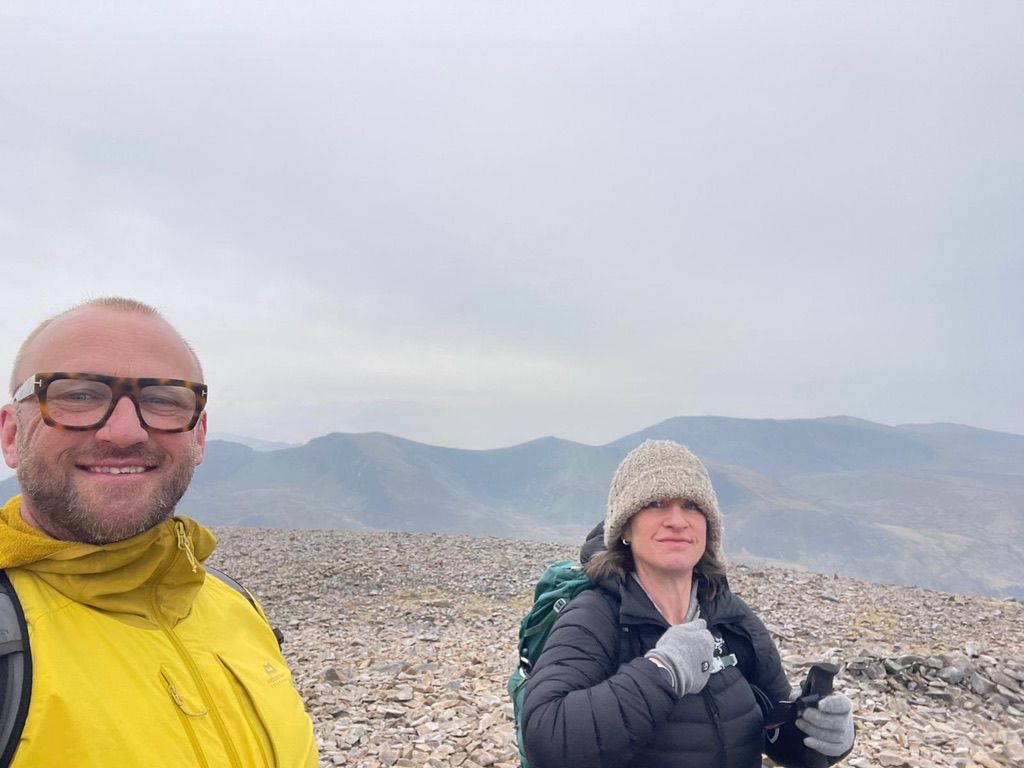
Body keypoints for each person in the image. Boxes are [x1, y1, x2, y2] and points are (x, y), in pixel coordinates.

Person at [0, 297, 318, 767]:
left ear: (199, 437)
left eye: (163, 399)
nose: (124, 431)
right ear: (10, 434)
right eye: (79, 394)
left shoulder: (233, 603)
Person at [520, 439, 854, 768]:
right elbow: (546, 741)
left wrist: (823, 736)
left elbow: (776, 731)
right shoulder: (595, 616)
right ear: (625, 528)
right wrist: (664, 671)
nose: (677, 520)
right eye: (654, 503)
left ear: (708, 528)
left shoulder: (730, 617)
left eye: (692, 506)